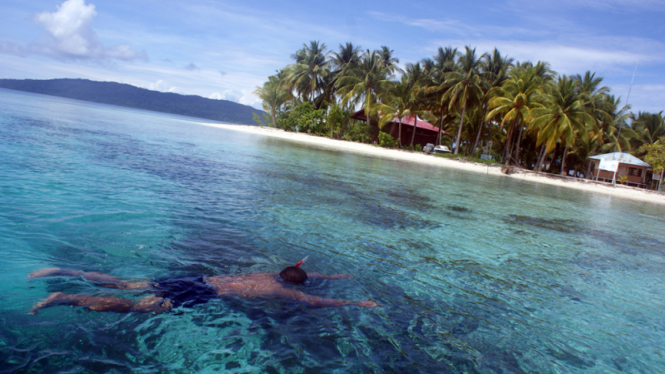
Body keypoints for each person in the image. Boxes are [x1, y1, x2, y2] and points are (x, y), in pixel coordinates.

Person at [28, 257, 378, 314]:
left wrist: (331, 277)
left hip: (196, 280)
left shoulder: (272, 276)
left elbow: (298, 272)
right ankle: (66, 298)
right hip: (202, 293)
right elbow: (314, 301)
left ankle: (64, 272)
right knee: (139, 309)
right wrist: (354, 304)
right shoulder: (282, 291)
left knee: (123, 284)